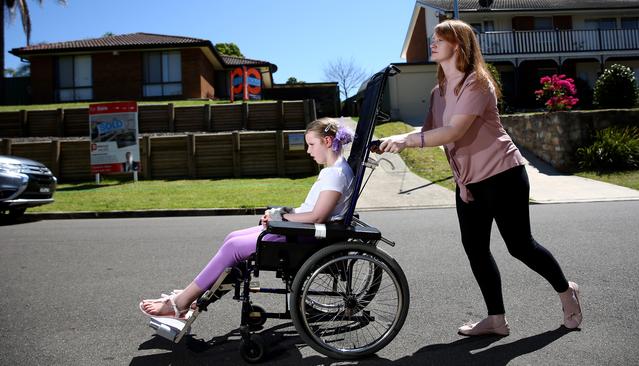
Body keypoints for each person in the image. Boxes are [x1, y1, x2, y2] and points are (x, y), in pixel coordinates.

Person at [378, 19, 582, 336]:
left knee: (520, 246)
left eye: (439, 39)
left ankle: (566, 291)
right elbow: (433, 134)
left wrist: (408, 141)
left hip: (504, 174)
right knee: (475, 248)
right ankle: (496, 320)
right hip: (470, 183)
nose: (432, 43)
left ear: (457, 45)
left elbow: (455, 131)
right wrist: (393, 142)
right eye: (432, 38)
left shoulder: (477, 83)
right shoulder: (437, 92)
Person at [139, 117, 355, 319]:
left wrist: (282, 217)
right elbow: (312, 210)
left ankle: (181, 302)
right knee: (232, 237)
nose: (308, 150)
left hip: (303, 236)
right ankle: (195, 293)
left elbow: (318, 215)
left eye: (311, 144)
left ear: (327, 141)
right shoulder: (336, 171)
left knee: (233, 248)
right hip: (300, 231)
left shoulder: (334, 174)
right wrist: (278, 213)